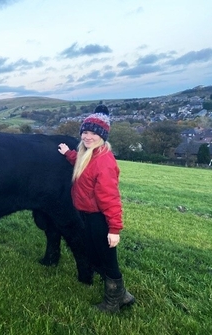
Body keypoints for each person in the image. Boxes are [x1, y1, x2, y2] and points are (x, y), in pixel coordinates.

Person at [58, 104, 135, 313]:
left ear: (103, 135)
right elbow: (81, 164)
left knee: (106, 258)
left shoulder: (104, 162)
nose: (87, 136)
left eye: (93, 133)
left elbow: (111, 198)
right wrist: (69, 154)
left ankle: (113, 303)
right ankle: (123, 295)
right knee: (96, 254)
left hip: (99, 218)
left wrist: (114, 229)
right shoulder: (88, 154)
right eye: (85, 131)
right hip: (87, 214)